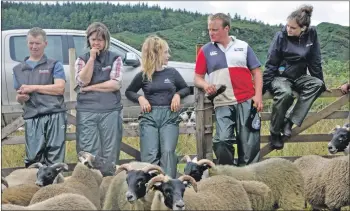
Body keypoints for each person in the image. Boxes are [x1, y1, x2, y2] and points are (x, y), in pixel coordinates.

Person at [194, 13, 263, 166]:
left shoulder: (243, 46)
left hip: (246, 100)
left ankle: (250, 181)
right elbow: (197, 77)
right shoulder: (205, 51)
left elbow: (257, 72)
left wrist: (258, 96)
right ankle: (228, 174)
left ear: (226, 28)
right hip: (222, 102)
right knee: (222, 140)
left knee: (249, 144)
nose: (211, 33)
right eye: (209, 29)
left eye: (215, 29)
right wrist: (206, 85)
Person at [125, 35, 190, 178]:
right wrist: (140, 98)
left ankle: (168, 186)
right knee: (150, 154)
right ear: (156, 53)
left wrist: (177, 95)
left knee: (168, 152)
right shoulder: (143, 75)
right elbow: (129, 91)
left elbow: (186, 88)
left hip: (169, 117)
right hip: (150, 118)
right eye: (166, 52)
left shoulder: (172, 73)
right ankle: (151, 188)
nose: (169, 55)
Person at [263, 5, 326, 150]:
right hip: (281, 77)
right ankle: (275, 131)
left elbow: (315, 60)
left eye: (292, 28)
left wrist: (321, 82)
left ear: (303, 28)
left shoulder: (312, 34)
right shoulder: (280, 36)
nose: (288, 29)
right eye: (287, 26)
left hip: (300, 76)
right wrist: (264, 86)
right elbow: (271, 62)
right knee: (286, 94)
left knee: (317, 84)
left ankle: (290, 121)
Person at [13, 27, 67, 167]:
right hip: (32, 117)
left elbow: (60, 88)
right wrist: (21, 98)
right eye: (31, 43)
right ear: (27, 43)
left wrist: (33, 88)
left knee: (55, 159)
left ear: (45, 44)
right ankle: (34, 187)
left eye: (37, 43)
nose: (34, 46)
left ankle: (55, 188)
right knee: (33, 160)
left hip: (54, 114)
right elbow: (18, 96)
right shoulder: (18, 69)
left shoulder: (55, 65)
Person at [74, 22, 123, 169]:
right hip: (87, 111)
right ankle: (90, 184)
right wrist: (92, 59)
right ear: (88, 40)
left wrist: (91, 88)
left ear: (106, 41)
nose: (96, 43)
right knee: (88, 151)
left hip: (110, 110)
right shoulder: (82, 59)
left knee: (110, 151)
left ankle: (108, 183)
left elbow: (115, 84)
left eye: (100, 40)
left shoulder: (115, 58)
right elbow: (83, 81)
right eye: (93, 39)